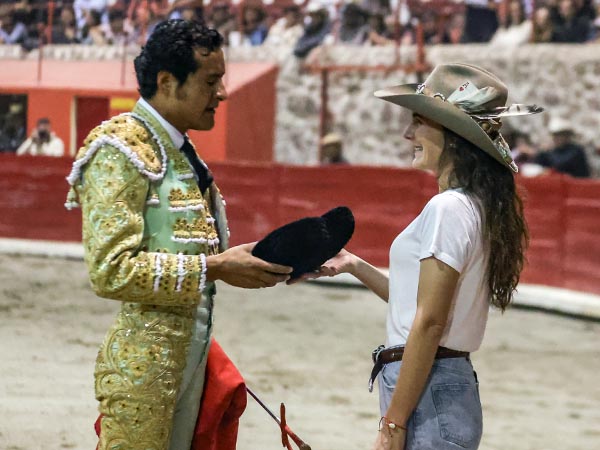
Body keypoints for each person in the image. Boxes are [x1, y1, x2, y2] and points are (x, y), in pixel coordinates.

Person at [64, 19, 292, 450]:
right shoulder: (120, 148)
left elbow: (204, 260)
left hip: (192, 359)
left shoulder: (179, 152)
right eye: (211, 81)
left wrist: (243, 262)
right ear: (168, 82)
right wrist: (216, 266)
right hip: (144, 372)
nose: (222, 94)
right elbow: (110, 271)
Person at [295, 63, 541, 450]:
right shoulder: (473, 206)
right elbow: (420, 305)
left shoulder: (448, 209)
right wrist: (356, 266)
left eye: (418, 122)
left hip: (429, 386)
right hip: (439, 384)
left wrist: (392, 422)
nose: (408, 133)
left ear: (454, 136)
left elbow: (429, 323)